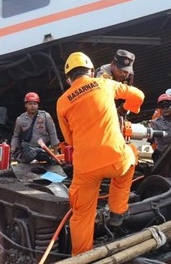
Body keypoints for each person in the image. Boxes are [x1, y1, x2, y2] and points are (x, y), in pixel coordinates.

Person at [56, 52, 144, 256]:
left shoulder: (62, 102)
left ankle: (80, 257)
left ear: (68, 79)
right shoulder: (105, 84)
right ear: (91, 71)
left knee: (81, 215)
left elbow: (69, 140)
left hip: (85, 168)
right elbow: (139, 96)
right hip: (116, 159)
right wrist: (125, 110)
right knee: (130, 156)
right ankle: (117, 211)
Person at [11, 92, 60, 164]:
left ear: (38, 105)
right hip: (28, 152)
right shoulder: (20, 119)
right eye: (30, 104)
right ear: (26, 105)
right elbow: (16, 136)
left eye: (35, 104)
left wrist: (55, 154)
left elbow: (53, 134)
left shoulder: (45, 116)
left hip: (44, 151)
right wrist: (12, 150)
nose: (33, 106)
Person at [149, 94, 171, 163]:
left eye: (167, 105)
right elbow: (151, 139)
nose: (165, 108)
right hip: (163, 154)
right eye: (162, 106)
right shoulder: (155, 124)